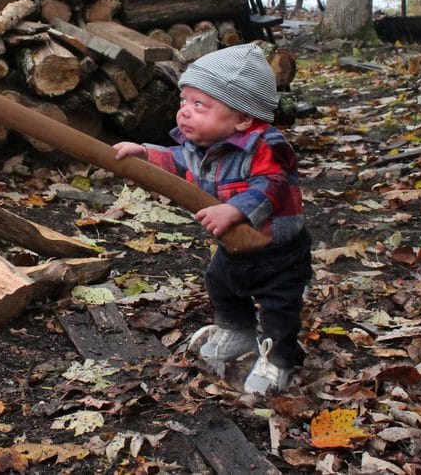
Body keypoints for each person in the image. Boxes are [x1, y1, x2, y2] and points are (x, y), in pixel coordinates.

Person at [113, 43, 311, 394]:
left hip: (278, 252)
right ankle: (238, 330)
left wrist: (234, 210)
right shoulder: (201, 147)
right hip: (233, 247)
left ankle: (279, 358)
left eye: (199, 104)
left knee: (279, 307)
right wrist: (143, 153)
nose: (184, 112)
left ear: (242, 117)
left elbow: (273, 184)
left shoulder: (267, 145)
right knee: (221, 284)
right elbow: (176, 161)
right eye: (183, 102)